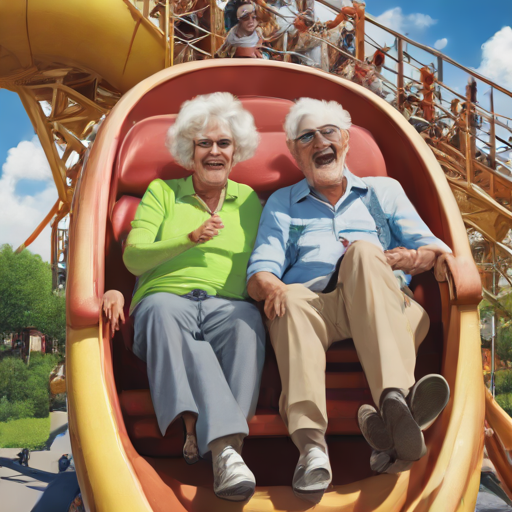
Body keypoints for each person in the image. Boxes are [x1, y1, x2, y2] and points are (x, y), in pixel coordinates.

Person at [247, 97, 452, 502]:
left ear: (346, 140)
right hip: (316, 305)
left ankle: (392, 400)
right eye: (307, 136)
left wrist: (411, 257)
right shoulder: (283, 203)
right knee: (289, 303)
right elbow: (261, 269)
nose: (319, 141)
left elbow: (434, 250)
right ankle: (314, 448)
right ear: (294, 151)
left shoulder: (383, 191)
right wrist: (273, 287)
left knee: (361, 252)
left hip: (383, 298)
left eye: (328, 132)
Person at [103, 92, 265, 502]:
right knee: (168, 317)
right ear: (188, 150)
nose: (214, 152)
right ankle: (226, 449)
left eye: (223, 143)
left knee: (247, 325)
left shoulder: (250, 201)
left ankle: (202, 435)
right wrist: (189, 238)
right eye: (204, 143)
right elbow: (135, 258)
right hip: (165, 300)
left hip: (229, 305)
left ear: (236, 151)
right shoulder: (162, 192)